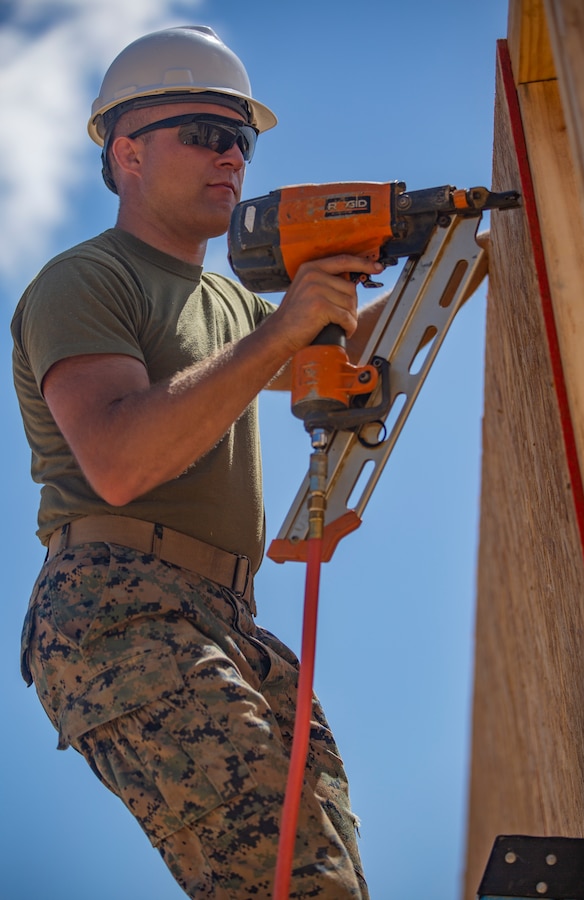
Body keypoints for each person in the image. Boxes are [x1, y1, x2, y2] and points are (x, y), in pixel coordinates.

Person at [12, 26, 387, 899]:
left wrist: (438, 261)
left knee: (330, 872)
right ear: (128, 151)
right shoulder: (87, 280)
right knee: (289, 879)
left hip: (229, 615)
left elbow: (364, 360)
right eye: (207, 135)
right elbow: (118, 460)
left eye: (243, 140)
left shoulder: (234, 305)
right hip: (118, 605)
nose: (232, 158)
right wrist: (286, 328)